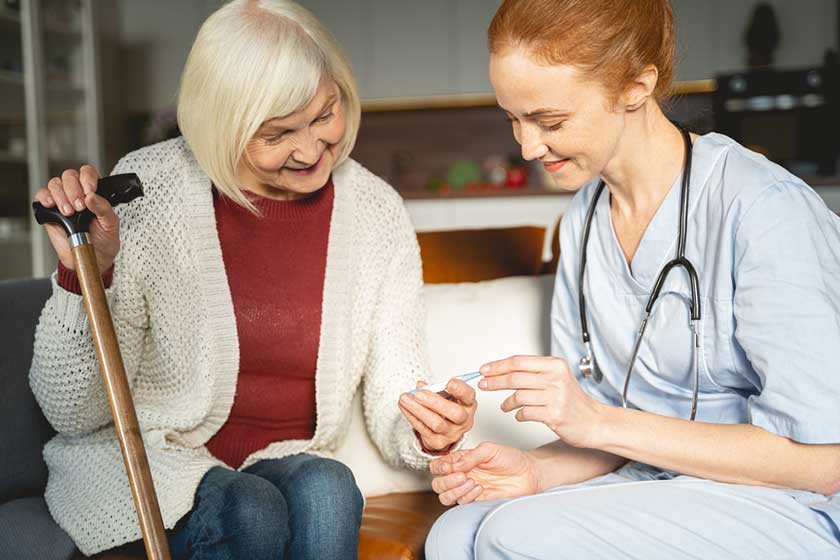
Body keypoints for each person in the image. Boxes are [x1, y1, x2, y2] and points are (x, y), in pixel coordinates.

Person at [29, 2, 476, 558]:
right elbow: (73, 411)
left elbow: (395, 384)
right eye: (278, 134)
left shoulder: (375, 210)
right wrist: (85, 274)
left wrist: (425, 426)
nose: (312, 150)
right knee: (251, 509)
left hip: (280, 459)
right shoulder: (148, 189)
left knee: (330, 489)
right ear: (223, 126)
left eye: (323, 114)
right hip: (155, 461)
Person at [425, 0, 840, 558]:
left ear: (635, 87)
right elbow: (605, 427)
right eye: (513, 120)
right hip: (654, 487)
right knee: (453, 533)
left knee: (513, 534)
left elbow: (824, 461)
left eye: (550, 121)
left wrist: (596, 421)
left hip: (784, 503)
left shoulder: (763, 208)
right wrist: (534, 471)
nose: (527, 146)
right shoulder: (584, 218)